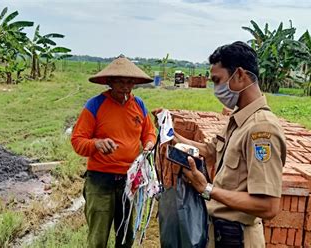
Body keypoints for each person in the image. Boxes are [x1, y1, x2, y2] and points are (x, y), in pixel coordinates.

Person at [175, 41, 286, 247]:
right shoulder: (239, 120)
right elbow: (212, 151)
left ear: (240, 75)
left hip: (238, 238)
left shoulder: (261, 130)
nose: (216, 89)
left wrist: (206, 188)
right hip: (220, 234)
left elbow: (268, 206)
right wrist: (173, 138)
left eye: (218, 81)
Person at [71, 56, 157, 248]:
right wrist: (96, 144)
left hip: (129, 180)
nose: (125, 87)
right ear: (109, 81)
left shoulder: (139, 105)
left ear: (134, 83)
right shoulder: (95, 105)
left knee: (126, 235)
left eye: (129, 82)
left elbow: (149, 133)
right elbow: (77, 141)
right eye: (119, 81)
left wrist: (150, 144)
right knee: (98, 237)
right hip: (100, 181)